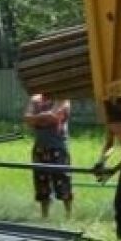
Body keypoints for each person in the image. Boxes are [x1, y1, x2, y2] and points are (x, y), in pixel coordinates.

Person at [24, 91, 74, 219]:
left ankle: (68, 215)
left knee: (63, 181)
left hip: (58, 147)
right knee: (41, 183)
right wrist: (44, 118)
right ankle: (44, 216)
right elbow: (27, 119)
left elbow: (54, 117)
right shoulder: (35, 99)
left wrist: (37, 119)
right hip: (40, 147)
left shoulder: (62, 98)